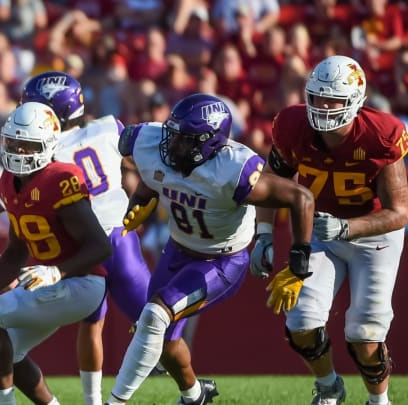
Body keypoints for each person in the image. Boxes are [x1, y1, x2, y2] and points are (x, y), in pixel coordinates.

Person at [105, 93, 315, 405]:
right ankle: (194, 396)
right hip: (177, 250)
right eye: (171, 135)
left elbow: (302, 199)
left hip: (221, 261)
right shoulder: (151, 142)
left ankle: (115, 402)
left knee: (153, 316)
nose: (172, 146)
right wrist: (142, 197)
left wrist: (297, 260)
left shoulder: (234, 170)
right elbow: (152, 172)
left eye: (183, 140)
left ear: (209, 143)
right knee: (162, 340)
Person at [0, 71, 151, 405]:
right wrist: (148, 192)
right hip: (116, 232)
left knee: (136, 322)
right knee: (152, 321)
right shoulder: (107, 127)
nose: (18, 143)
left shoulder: (45, 158)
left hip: (89, 245)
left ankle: (112, 399)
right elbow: (147, 159)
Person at [249, 55, 408, 405]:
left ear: (355, 100)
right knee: (301, 322)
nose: (322, 106)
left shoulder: (382, 135)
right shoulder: (292, 125)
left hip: (373, 235)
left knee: (365, 335)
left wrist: (347, 227)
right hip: (320, 229)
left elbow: (399, 213)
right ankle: (328, 386)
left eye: (332, 99)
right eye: (317, 96)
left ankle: (378, 400)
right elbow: (272, 180)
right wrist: (262, 232)